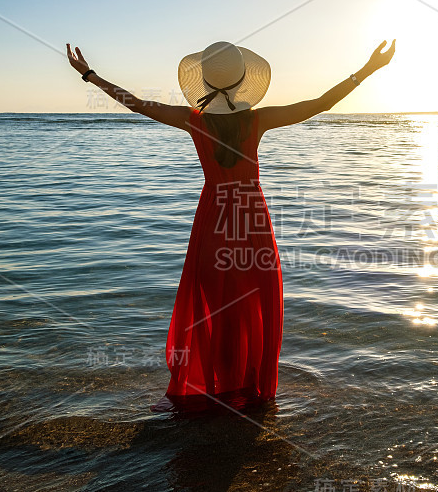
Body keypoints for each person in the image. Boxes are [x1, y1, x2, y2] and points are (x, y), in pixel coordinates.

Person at [66, 39, 396, 412]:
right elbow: (321, 104)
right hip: (251, 219)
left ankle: (214, 387)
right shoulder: (257, 120)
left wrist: (90, 76)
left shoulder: (193, 120)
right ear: (242, 83)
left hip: (213, 218)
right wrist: (370, 69)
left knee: (214, 303)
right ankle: (247, 390)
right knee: (252, 302)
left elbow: (136, 103)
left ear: (204, 84)